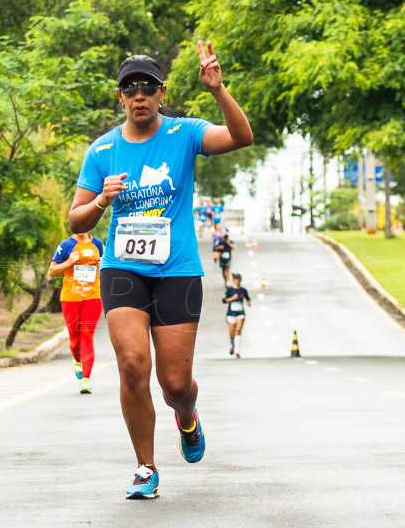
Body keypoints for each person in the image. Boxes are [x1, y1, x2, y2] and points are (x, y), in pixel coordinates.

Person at [67, 42, 252, 499]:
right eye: (130, 88)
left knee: (174, 384)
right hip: (123, 268)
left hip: (176, 270)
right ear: (120, 97)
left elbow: (242, 137)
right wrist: (101, 201)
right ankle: (145, 468)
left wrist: (219, 91)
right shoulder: (103, 149)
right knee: (132, 365)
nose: (139, 95)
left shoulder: (185, 134)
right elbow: (76, 221)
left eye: (148, 87)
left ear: (162, 92)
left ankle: (186, 417)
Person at [48, 232, 105, 394]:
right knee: (74, 339)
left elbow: (106, 265)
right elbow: (52, 271)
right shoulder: (66, 245)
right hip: (70, 297)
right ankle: (77, 360)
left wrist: (102, 263)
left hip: (93, 296)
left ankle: (86, 380)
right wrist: (69, 262)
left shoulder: (98, 244)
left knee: (87, 336)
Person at [223, 273, 251, 358]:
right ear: (234, 280)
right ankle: (232, 345)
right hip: (231, 313)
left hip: (240, 313)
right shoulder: (230, 290)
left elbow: (248, 299)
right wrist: (232, 298)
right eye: (235, 279)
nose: (237, 281)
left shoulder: (243, 290)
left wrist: (249, 303)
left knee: (238, 331)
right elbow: (224, 300)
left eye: (238, 279)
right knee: (232, 333)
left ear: (240, 280)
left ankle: (237, 351)